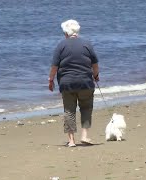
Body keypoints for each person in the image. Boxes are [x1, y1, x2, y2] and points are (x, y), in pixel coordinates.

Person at [48, 19, 100, 147]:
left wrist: (50, 80)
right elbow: (95, 64)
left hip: (67, 83)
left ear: (66, 33)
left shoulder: (61, 45)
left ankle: (71, 141)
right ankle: (85, 136)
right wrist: (96, 75)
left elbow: (54, 66)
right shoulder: (87, 44)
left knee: (69, 111)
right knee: (86, 108)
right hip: (85, 82)